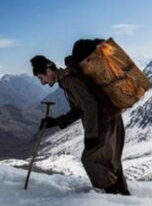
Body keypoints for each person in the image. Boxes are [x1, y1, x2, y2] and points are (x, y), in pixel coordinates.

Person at [30, 51, 130, 195]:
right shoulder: (67, 81)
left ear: (48, 71)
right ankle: (124, 195)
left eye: (41, 77)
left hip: (105, 122)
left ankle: (113, 193)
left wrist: (91, 135)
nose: (43, 82)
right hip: (110, 118)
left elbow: (90, 104)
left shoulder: (70, 79)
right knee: (110, 161)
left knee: (90, 159)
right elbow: (78, 109)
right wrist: (57, 121)